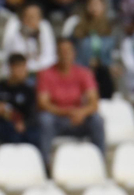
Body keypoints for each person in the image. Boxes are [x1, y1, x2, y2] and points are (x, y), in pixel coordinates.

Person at [37, 37, 107, 168]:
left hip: (78, 119)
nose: (65, 54)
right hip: (57, 119)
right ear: (56, 53)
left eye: (68, 50)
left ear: (74, 53)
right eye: (61, 51)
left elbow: (94, 103)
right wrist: (68, 112)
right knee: (44, 120)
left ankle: (100, 161)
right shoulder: (46, 74)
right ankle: (44, 164)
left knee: (97, 120)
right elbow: (43, 103)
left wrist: (81, 112)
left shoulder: (84, 73)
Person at [0, 52, 43, 154]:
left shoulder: (28, 91)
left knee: (35, 135)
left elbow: (32, 113)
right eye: (20, 68)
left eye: (24, 68)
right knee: (12, 134)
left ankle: (36, 161)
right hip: (0, 123)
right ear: (11, 68)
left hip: (21, 123)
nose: (24, 72)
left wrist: (24, 123)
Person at [71, 0, 119, 99]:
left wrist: (109, 64)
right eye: (91, 4)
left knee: (104, 74)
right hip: (83, 68)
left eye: (97, 4)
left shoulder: (111, 28)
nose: (94, 7)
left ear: (103, 6)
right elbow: (73, 52)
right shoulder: (78, 29)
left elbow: (115, 53)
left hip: (105, 70)